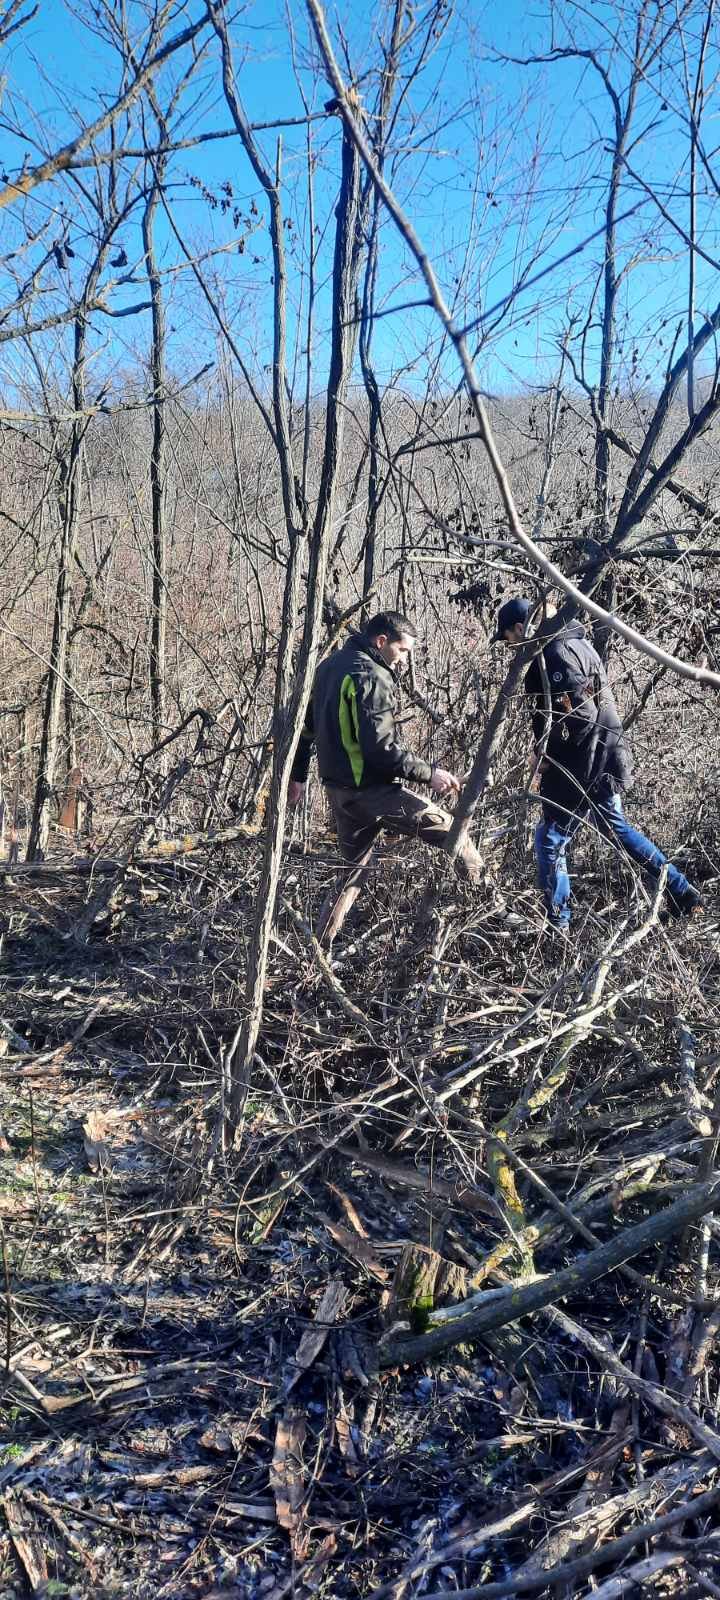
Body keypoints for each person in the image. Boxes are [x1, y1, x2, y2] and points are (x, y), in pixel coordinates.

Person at [495, 596, 703, 935]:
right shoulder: (577, 642)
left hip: (584, 763)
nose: (511, 647)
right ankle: (681, 892)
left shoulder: (553, 656)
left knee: (550, 838)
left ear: (521, 628)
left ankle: (559, 928)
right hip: (605, 755)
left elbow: (580, 719)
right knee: (616, 828)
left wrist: (545, 757)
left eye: (509, 639)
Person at [289, 611, 483, 941]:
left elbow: (302, 730)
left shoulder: (328, 667)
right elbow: (381, 750)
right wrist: (430, 774)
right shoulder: (371, 675)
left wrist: (298, 777)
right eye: (403, 650)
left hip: (338, 793)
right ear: (381, 642)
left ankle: (317, 954)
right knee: (456, 834)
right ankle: (489, 907)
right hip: (373, 794)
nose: (405, 659)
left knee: (354, 872)